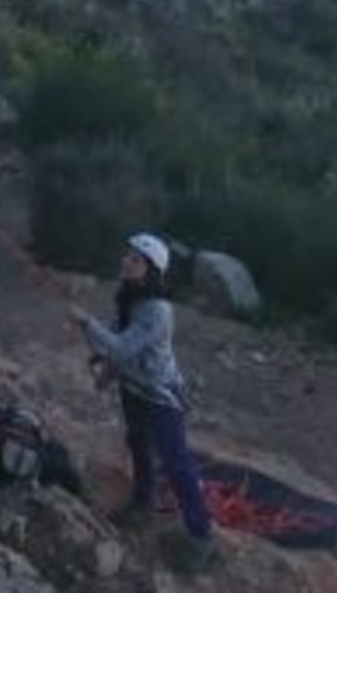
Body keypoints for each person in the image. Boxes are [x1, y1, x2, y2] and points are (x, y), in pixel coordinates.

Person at [74, 231, 216, 562]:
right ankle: (143, 501)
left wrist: (85, 323)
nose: (126, 260)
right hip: (133, 390)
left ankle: (202, 535)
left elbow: (121, 346)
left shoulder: (158, 310)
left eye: (135, 259)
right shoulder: (130, 296)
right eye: (127, 255)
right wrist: (106, 368)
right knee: (137, 444)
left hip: (159, 396)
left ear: (151, 268)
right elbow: (114, 341)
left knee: (176, 461)